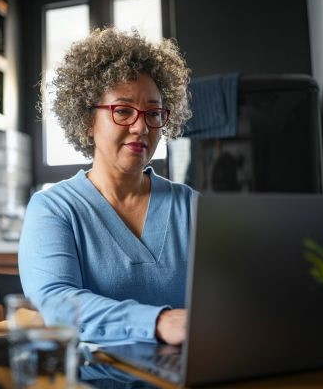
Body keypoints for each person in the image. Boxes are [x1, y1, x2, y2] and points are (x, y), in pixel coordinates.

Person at [19, 27, 197, 345]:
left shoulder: (191, 206)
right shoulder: (54, 210)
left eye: (153, 113)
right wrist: (158, 321)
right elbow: (57, 303)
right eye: (123, 111)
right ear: (88, 121)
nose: (141, 126)